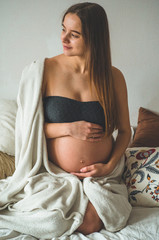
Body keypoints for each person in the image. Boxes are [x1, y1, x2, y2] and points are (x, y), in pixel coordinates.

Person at [42, 2, 131, 235]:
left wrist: (108, 166)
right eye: (63, 29)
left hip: (102, 176)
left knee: (89, 224)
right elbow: (28, 130)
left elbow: (124, 131)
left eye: (74, 34)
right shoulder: (45, 70)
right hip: (57, 173)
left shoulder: (113, 77)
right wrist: (69, 129)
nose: (64, 38)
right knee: (52, 222)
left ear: (94, 37)